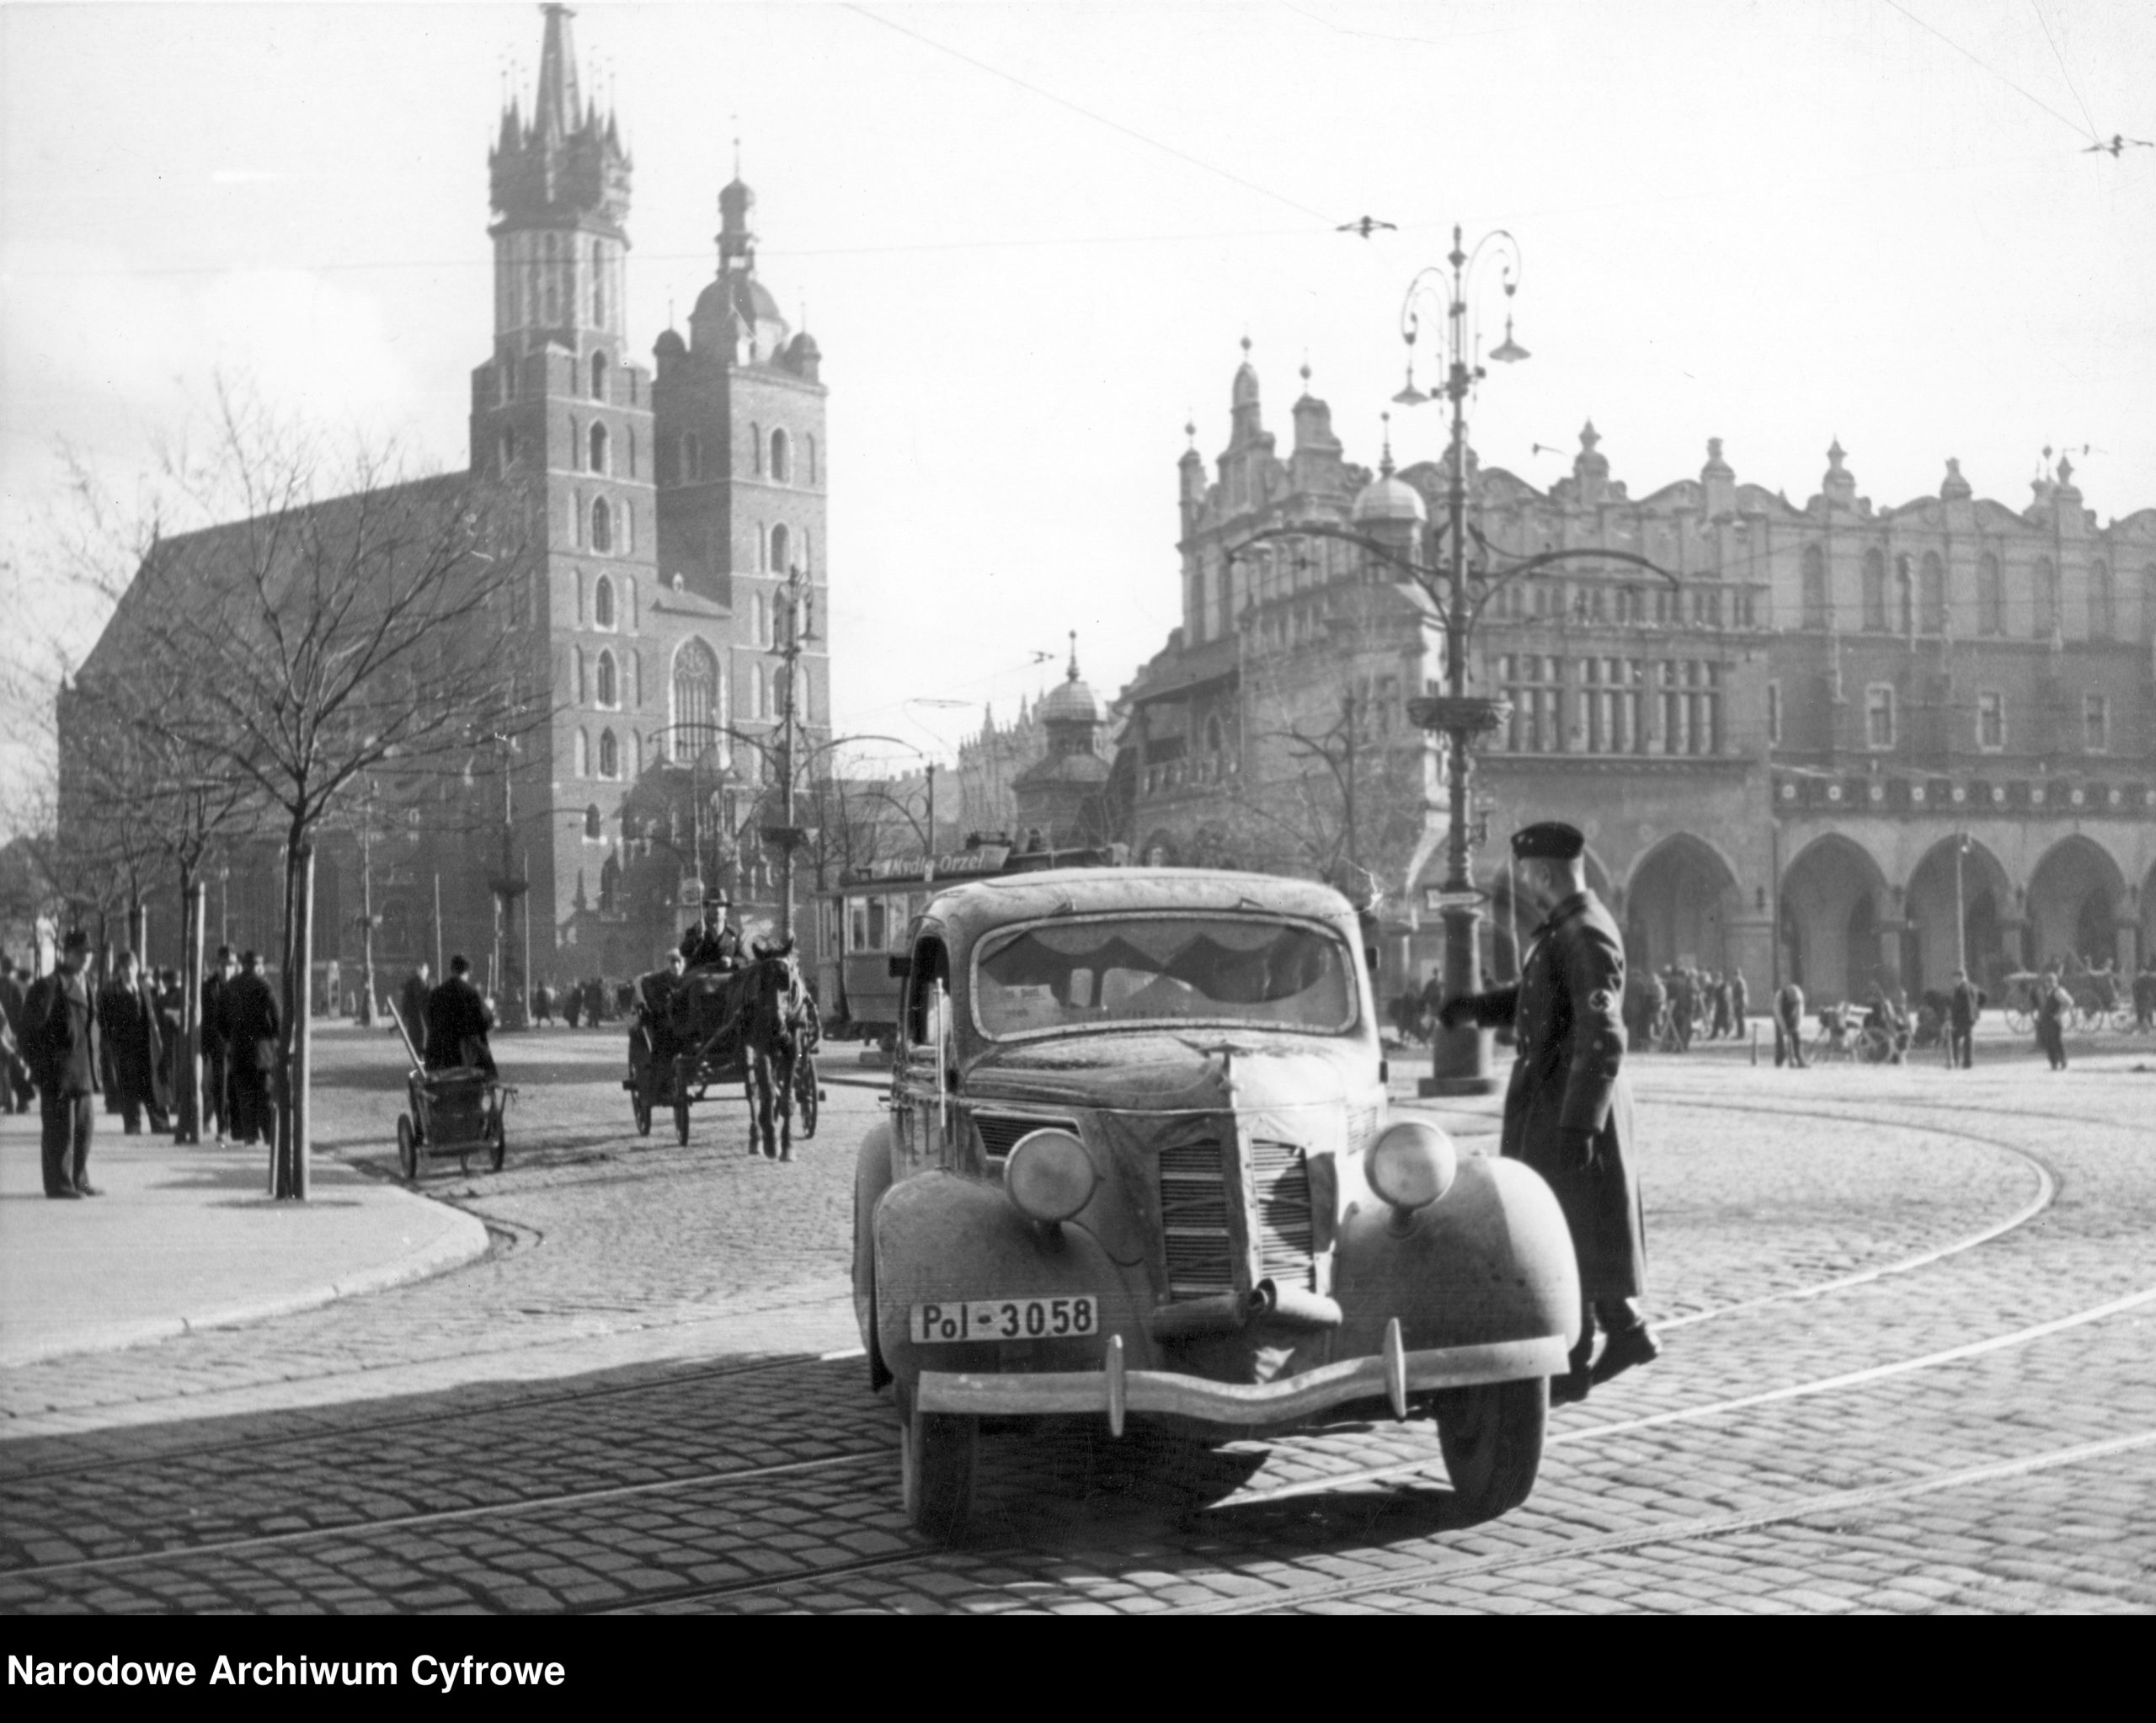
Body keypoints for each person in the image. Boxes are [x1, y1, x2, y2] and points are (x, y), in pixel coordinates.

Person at [1438, 821, 1656, 1406]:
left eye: (1528, 877)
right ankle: (1620, 1335)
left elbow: (1602, 1035)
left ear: (1543, 873)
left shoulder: (1586, 933)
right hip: (1556, 1102)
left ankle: (1576, 1362)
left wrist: (1581, 1125)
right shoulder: (1567, 929)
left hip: (1571, 1107)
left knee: (1563, 1230)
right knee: (1571, 1224)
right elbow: (1538, 999)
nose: (1526, 887)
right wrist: (1473, 1008)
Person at [22, 931, 102, 1197]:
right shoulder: (49, 986)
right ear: (66, 954)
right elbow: (28, 1031)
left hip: (84, 1072)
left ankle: (79, 1179)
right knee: (60, 1133)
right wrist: (41, 1067)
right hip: (59, 1074)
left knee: (84, 1130)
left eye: (89, 953)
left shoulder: (87, 984)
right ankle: (59, 1184)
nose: (86, 958)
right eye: (80, 953)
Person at [98, 951, 170, 1134]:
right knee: (128, 1087)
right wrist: (112, 1043)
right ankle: (132, 1125)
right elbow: (104, 1022)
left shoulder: (146, 989)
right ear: (120, 970)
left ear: (137, 968)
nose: (128, 971)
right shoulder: (111, 992)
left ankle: (160, 1124)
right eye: (125, 968)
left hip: (146, 1047)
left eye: (131, 967)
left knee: (152, 1085)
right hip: (125, 1048)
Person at [219, 951, 280, 1145]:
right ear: (258, 966)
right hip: (262, 1049)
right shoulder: (264, 985)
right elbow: (276, 1016)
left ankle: (250, 1135)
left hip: (239, 1048)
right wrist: (275, 1037)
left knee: (245, 1096)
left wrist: (229, 1037)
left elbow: (220, 1019)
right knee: (264, 1094)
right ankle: (269, 1136)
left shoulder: (230, 986)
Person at [423, 954, 497, 1076]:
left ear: (452, 970)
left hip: (438, 1057)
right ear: (468, 972)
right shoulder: (471, 993)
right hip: (465, 1058)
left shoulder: (435, 994)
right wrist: (489, 1008)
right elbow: (486, 1023)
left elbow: (429, 1021)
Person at [200, 946, 238, 1141]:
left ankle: (234, 1126)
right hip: (217, 1044)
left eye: (230, 964)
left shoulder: (240, 985)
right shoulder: (208, 987)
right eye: (223, 965)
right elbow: (205, 1018)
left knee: (235, 1086)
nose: (227, 969)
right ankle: (223, 1127)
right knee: (219, 1087)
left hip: (237, 1043)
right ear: (217, 965)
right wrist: (207, 1046)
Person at [0, 953, 32, 1114]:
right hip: (14, 1032)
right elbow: (21, 1011)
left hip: (3, 1031)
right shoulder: (16, 986)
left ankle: (9, 1103)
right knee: (17, 1066)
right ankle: (22, 1101)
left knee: (5, 1067)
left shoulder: (5, 984)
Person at [680, 898, 744, 971]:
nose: (717, 909)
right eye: (714, 906)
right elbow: (684, 953)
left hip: (727, 976)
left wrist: (731, 961)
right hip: (700, 975)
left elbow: (743, 959)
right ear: (707, 908)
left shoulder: (733, 933)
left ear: (725, 909)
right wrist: (696, 938)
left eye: (721, 905)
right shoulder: (696, 930)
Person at [2034, 968, 2072, 1071]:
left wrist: (2059, 1014)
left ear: (2055, 982)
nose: (2048, 984)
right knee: (2049, 1042)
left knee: (2057, 1041)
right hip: (2047, 1020)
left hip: (2055, 1020)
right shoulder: (2048, 992)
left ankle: (2063, 1061)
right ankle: (2054, 1063)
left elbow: (2069, 1002)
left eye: (2051, 981)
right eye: (2048, 981)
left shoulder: (2059, 991)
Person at [1947, 969, 1984, 1070]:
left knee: (1954, 1037)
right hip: (1971, 1017)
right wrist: (1977, 1011)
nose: (1953, 981)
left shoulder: (1961, 989)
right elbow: (1982, 997)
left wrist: (1954, 1017)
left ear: (1959, 978)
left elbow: (1959, 1005)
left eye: (1954, 978)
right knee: (1968, 1039)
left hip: (1963, 1017)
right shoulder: (1973, 987)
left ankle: (1955, 1061)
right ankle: (1968, 1062)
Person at [397, 963, 433, 1059]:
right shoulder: (418, 982)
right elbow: (420, 1000)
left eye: (427, 969)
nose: (427, 972)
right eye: (425, 969)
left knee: (420, 1037)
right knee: (421, 1037)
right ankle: (421, 1057)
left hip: (415, 1016)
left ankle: (421, 1057)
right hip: (417, 1015)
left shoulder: (421, 982)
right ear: (420, 970)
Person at [1774, 978, 1808, 1068]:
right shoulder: (1779, 995)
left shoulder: (1799, 996)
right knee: (1780, 1039)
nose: (1793, 1002)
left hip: (1792, 1015)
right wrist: (1783, 1027)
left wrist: (1797, 1026)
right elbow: (1778, 1013)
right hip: (1781, 1014)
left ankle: (1800, 1060)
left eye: (1795, 1001)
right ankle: (1780, 1060)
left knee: (1797, 1038)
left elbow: (1800, 1012)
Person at [1729, 969, 1748, 1040]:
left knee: (1740, 1019)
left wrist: (1737, 1002)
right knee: (1739, 1019)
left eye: (1736, 975)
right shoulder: (1740, 982)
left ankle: (1741, 1035)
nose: (1735, 977)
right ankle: (1739, 1034)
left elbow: (1741, 993)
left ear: (1738, 975)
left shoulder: (1740, 982)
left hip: (1740, 1003)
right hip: (1739, 1003)